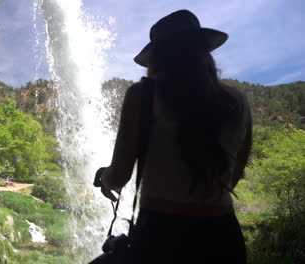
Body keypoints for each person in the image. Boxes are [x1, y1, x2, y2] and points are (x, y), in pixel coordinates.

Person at [96, 10, 252, 263]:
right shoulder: (237, 100)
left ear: (157, 56)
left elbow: (120, 175)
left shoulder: (142, 95)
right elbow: (236, 171)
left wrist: (105, 178)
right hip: (222, 234)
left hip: (160, 234)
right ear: (203, 52)